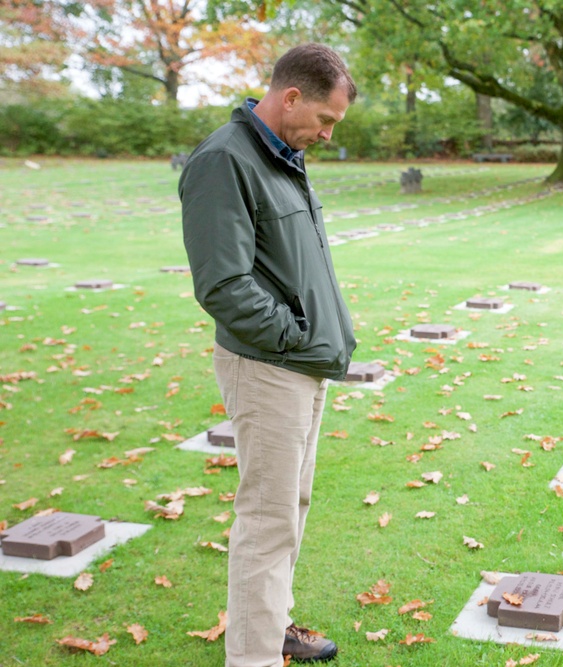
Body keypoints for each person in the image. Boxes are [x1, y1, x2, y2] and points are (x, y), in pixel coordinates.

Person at [179, 43, 358, 666]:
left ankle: (270, 627)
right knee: (266, 518)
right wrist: (292, 334)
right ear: (291, 98)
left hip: (300, 364)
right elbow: (223, 285)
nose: (328, 134)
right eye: (326, 120)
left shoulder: (282, 155)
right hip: (268, 366)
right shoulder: (223, 161)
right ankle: (251, 657)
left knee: (290, 508)